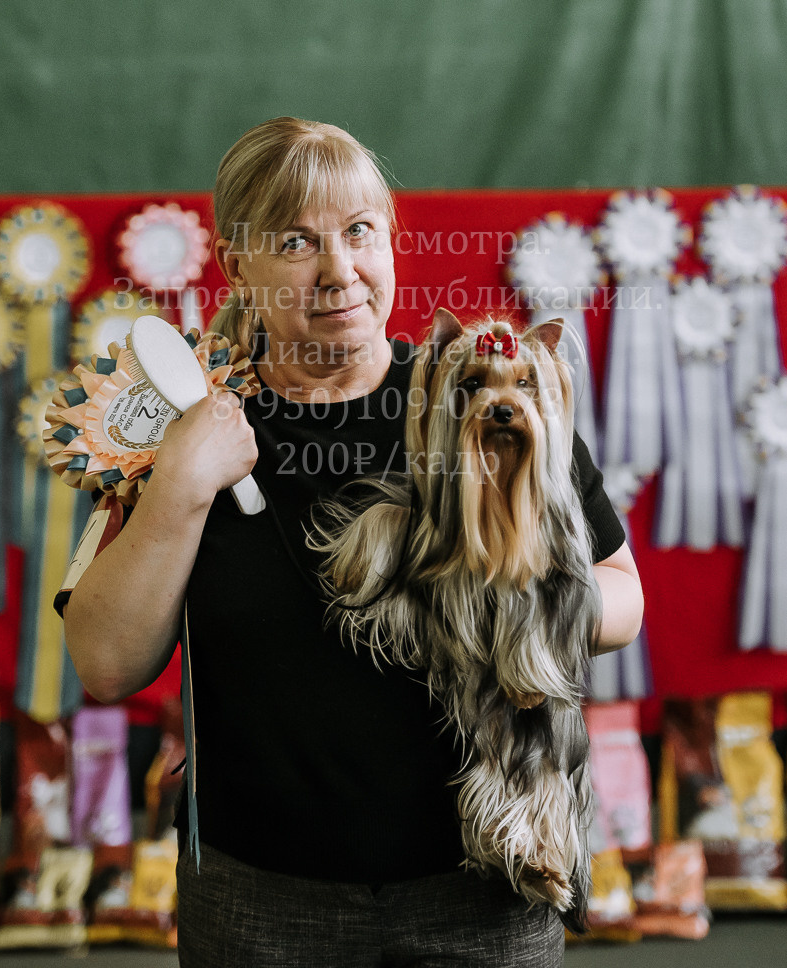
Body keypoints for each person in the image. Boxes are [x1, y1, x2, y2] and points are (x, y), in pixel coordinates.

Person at [58, 117, 644, 967]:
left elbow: (622, 598)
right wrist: (182, 484)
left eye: (360, 233)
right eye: (297, 242)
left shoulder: (476, 395)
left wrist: (519, 597)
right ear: (236, 264)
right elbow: (105, 664)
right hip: (259, 897)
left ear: (392, 241)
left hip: (483, 888)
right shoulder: (181, 422)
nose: (339, 271)